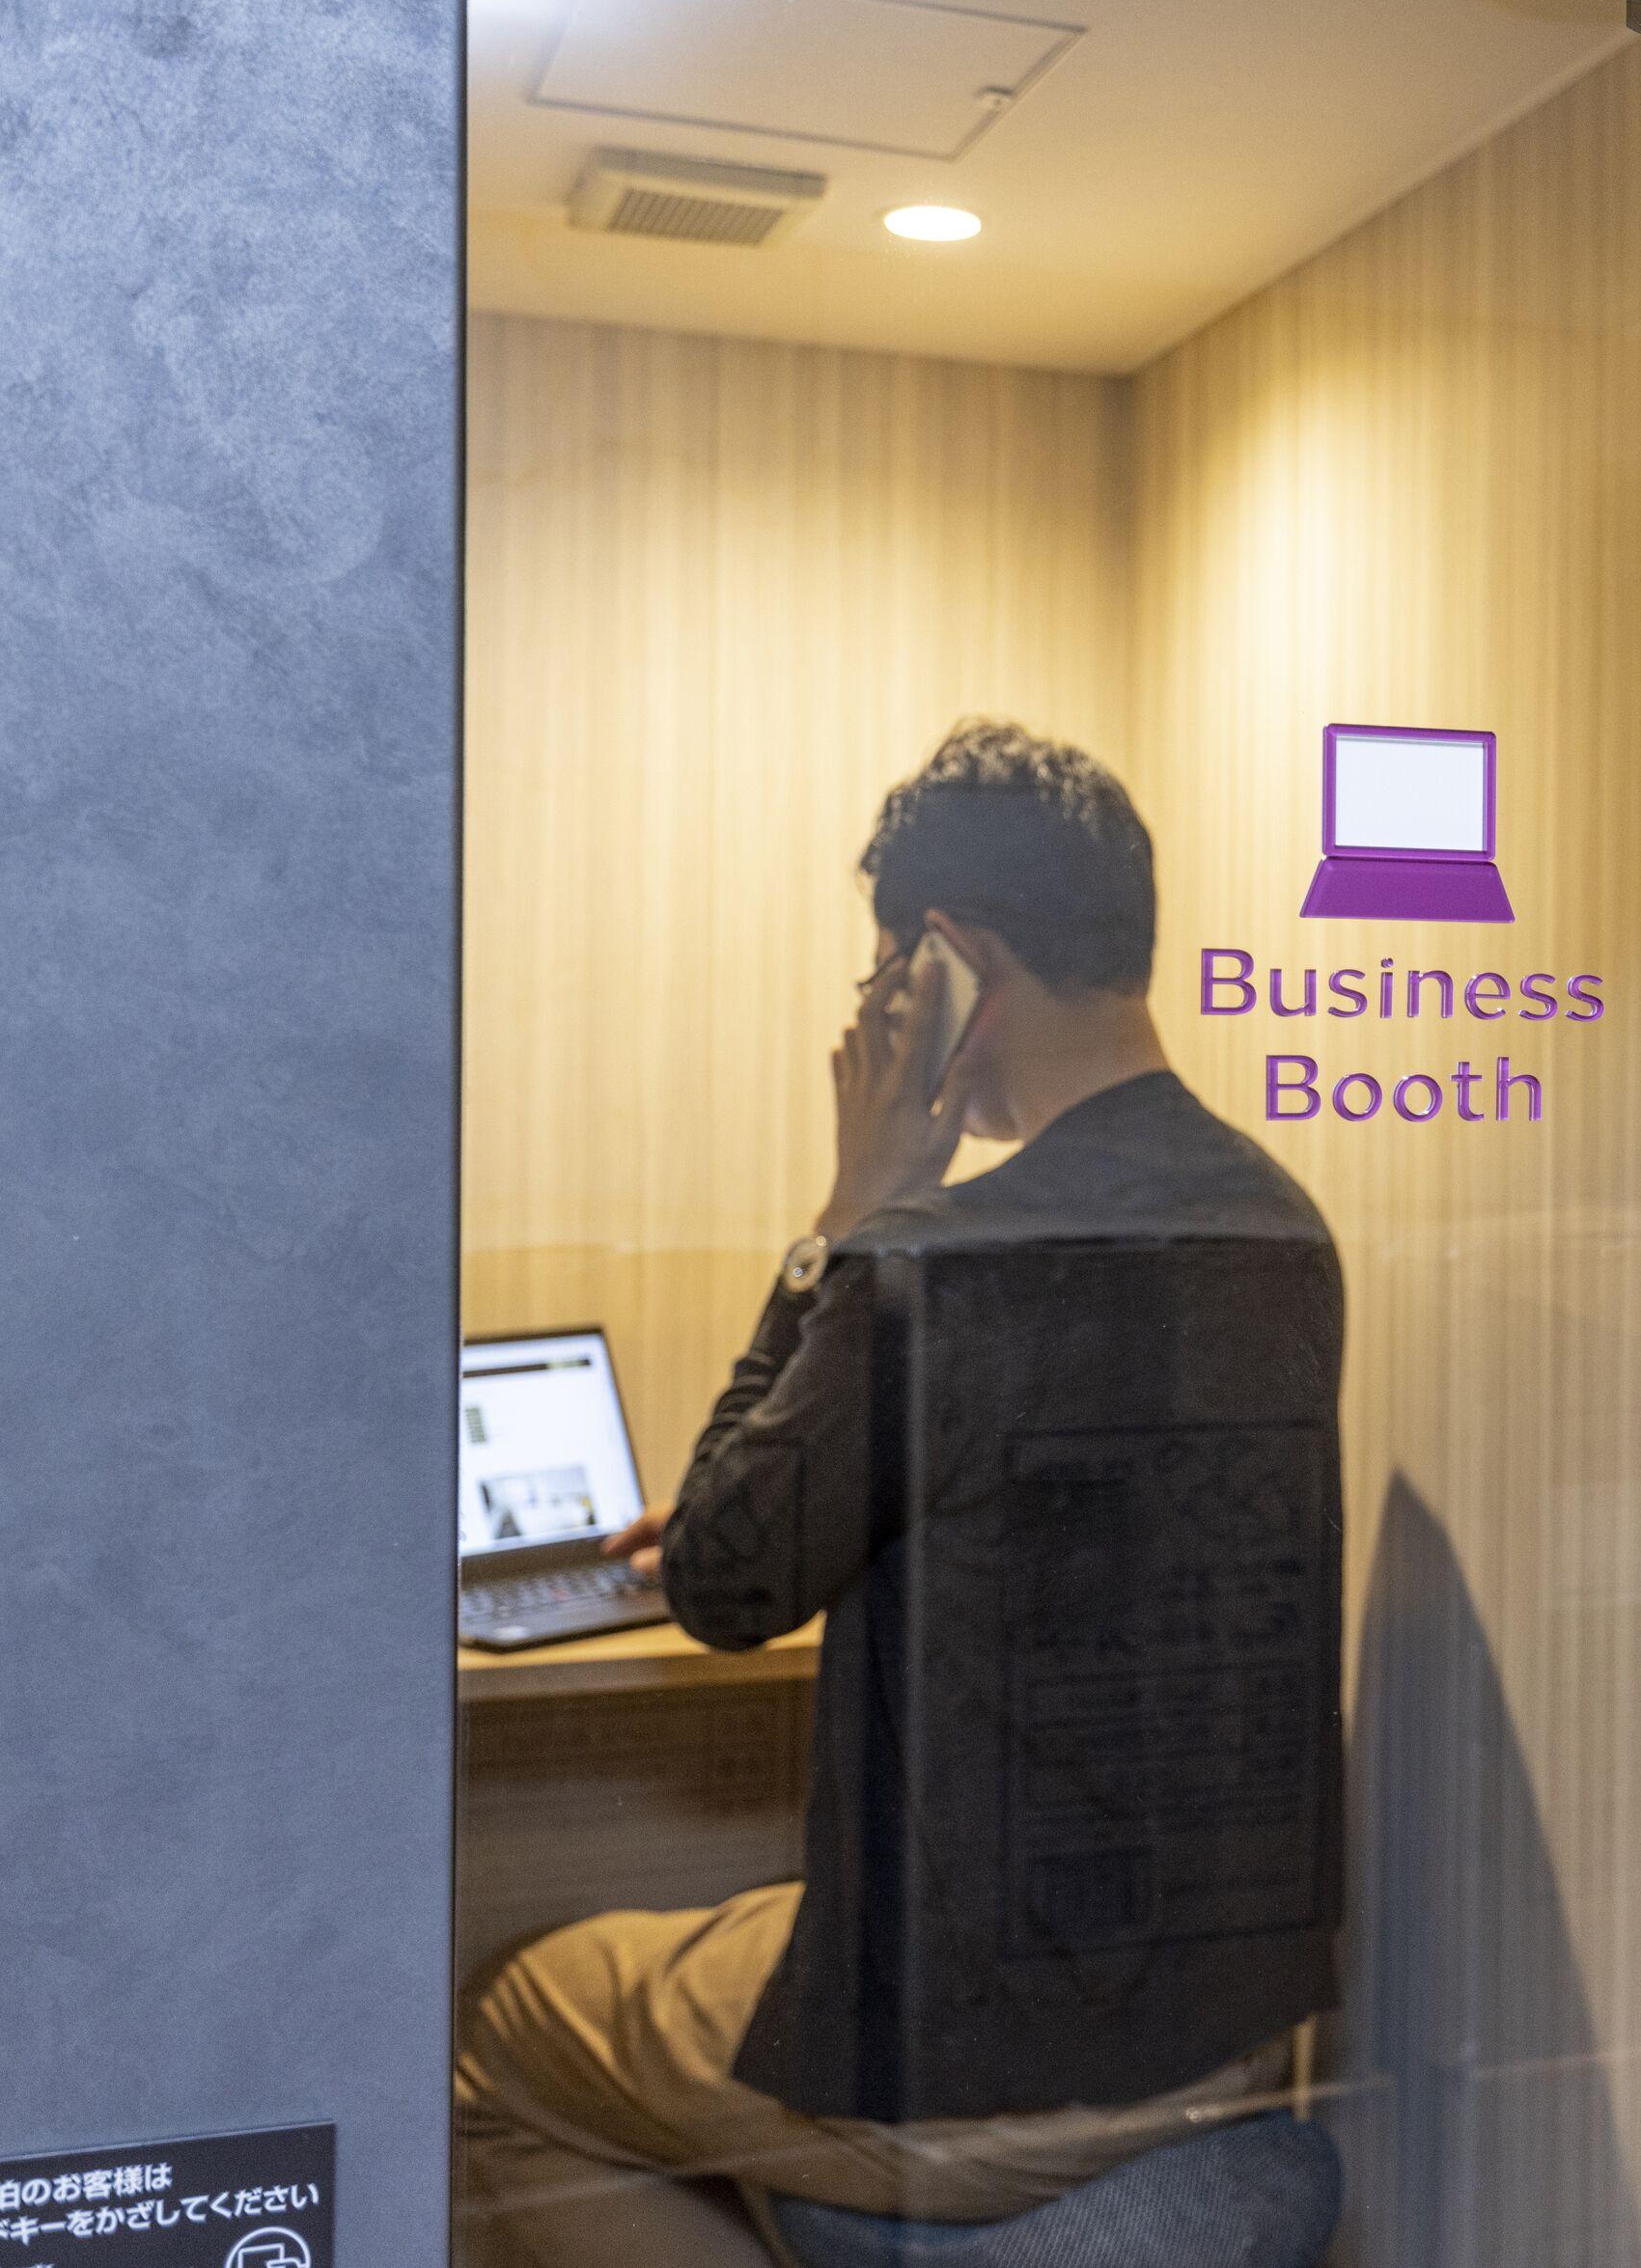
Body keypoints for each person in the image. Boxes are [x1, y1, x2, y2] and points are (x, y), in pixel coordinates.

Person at [456, 722, 1346, 2267]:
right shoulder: (1282, 1226)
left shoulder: (943, 1257)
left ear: (946, 964)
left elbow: (727, 1585)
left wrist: (853, 1210)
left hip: (977, 2071)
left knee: (509, 2025)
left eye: (886, 977)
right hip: (1223, 2035)